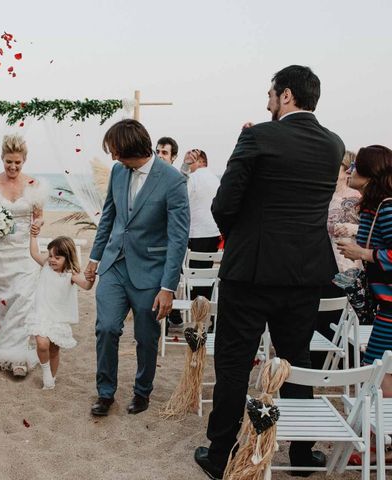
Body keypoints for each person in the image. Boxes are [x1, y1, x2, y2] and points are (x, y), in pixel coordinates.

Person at [194, 65, 344, 479]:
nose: (267, 101)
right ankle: (301, 453)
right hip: (306, 272)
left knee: (234, 360)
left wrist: (242, 235)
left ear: (288, 95)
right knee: (296, 359)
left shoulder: (257, 136)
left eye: (271, 93)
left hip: (252, 272)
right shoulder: (334, 144)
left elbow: (223, 204)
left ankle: (220, 452)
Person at [84, 119, 189, 416]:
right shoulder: (118, 172)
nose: (113, 157)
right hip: (114, 264)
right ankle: (105, 393)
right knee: (105, 328)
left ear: (131, 148)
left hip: (150, 272)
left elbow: (178, 238)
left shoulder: (172, 180)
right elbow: (109, 217)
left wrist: (168, 287)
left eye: (116, 151)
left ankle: (142, 391)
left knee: (146, 338)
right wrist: (94, 259)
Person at [0, 134, 49, 377]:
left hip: (25, 252)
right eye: (9, 162)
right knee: (4, 303)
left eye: (18, 163)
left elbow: (39, 216)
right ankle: (6, 349)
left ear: (24, 160)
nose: (13, 167)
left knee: (23, 301)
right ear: (2, 158)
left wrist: (38, 225)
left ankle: (17, 358)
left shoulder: (34, 185)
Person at [338, 145, 392, 399]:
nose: (350, 170)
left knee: (376, 371)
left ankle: (381, 433)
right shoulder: (374, 206)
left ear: (370, 174)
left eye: (356, 166)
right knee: (378, 369)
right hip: (385, 306)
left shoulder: (387, 208)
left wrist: (363, 254)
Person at [312, 150, 360, 368]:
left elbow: (370, 230)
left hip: (347, 263)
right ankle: (319, 359)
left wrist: (351, 228)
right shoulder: (319, 196)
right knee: (322, 308)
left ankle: (346, 360)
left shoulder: (357, 197)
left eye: (336, 167)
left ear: (346, 171)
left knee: (344, 309)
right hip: (319, 260)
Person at [27, 233, 94, 389]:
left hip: (58, 318)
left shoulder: (70, 275)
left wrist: (91, 280)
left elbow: (85, 286)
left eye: (57, 257)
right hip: (41, 313)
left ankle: (51, 378)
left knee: (54, 350)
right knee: (42, 344)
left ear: (67, 258)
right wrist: (33, 235)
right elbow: (34, 252)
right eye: (50, 255)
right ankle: (46, 373)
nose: (52, 260)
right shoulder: (45, 265)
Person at [182, 148, 221, 297]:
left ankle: (194, 305)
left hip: (195, 233)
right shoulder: (215, 179)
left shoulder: (193, 178)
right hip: (213, 232)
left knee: (193, 275)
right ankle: (207, 309)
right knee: (207, 272)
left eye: (193, 159)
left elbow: (182, 199)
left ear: (201, 161)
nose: (190, 163)